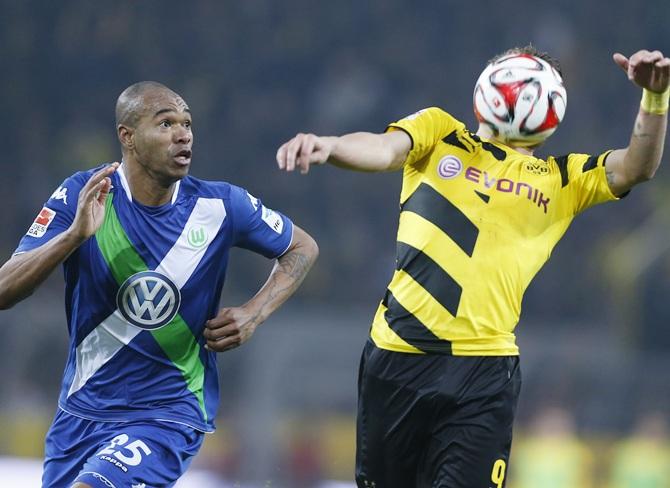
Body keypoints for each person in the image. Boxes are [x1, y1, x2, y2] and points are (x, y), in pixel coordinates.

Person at [276, 47, 670, 487]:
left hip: (483, 372)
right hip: (397, 359)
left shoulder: (563, 179)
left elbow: (637, 166)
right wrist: (330, 146)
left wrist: (655, 99)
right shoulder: (439, 131)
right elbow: (384, 149)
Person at [0, 81, 318, 487]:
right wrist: (72, 237)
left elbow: (302, 247)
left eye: (187, 124)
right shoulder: (84, 194)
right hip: (80, 413)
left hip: (166, 414)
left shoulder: (221, 206)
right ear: (127, 137)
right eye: (166, 123)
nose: (183, 133)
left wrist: (254, 313)